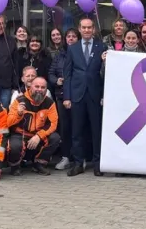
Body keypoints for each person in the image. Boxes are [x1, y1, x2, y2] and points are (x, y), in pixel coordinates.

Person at [64, 17, 106, 176]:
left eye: (90, 28)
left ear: (93, 29)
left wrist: (103, 94)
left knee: (96, 130)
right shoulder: (72, 48)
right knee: (77, 131)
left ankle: (97, 163)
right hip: (77, 94)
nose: (87, 30)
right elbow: (67, 74)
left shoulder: (101, 47)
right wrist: (67, 96)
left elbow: (105, 74)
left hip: (95, 95)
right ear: (79, 29)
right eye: (84, 27)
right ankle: (78, 163)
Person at [6, 76, 60, 174]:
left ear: (46, 89)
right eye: (37, 86)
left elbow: (53, 124)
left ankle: (39, 164)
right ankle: (15, 166)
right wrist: (18, 114)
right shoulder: (19, 100)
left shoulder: (50, 103)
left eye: (43, 87)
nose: (40, 90)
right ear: (30, 87)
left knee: (55, 138)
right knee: (14, 146)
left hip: (38, 136)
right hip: (20, 135)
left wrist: (39, 136)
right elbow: (8, 122)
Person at [50, 28, 79, 171]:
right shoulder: (60, 55)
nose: (71, 38)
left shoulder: (81, 54)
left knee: (78, 127)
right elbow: (50, 73)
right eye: (69, 36)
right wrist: (57, 80)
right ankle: (66, 156)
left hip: (77, 96)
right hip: (61, 96)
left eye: (74, 36)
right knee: (65, 127)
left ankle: (79, 157)